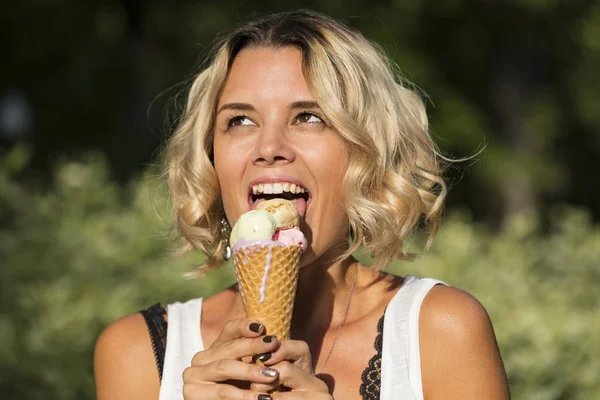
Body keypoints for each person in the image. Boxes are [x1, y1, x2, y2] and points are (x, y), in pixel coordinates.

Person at [94, 10, 510, 400]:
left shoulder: (441, 331)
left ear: (367, 149)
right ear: (211, 157)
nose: (269, 148)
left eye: (309, 117)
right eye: (240, 120)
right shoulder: (136, 353)